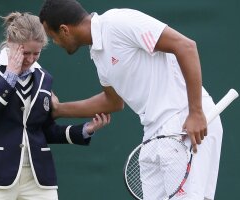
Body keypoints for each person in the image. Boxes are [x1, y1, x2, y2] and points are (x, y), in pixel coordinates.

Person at [39, 1, 224, 200]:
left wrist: (196, 112)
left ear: (64, 30)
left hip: (184, 121)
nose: (56, 43)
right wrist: (58, 110)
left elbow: (185, 46)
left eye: (53, 37)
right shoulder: (97, 54)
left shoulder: (118, 22)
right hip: (154, 135)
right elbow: (112, 102)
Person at [0, 12, 110, 200]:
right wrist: (9, 77)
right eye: (25, 53)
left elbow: (43, 130)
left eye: (36, 53)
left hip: (38, 179)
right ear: (10, 41)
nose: (31, 59)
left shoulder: (44, 78)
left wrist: (84, 130)